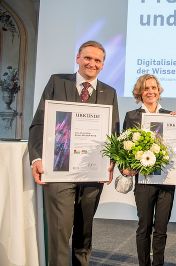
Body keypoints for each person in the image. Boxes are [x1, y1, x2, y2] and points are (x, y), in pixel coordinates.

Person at [28, 40, 120, 266]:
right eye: (87, 58)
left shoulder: (109, 92)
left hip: (92, 173)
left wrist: (111, 162)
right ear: (77, 58)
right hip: (58, 169)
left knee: (84, 233)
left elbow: (114, 133)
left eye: (97, 60)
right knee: (60, 232)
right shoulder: (57, 82)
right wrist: (37, 157)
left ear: (103, 64)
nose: (92, 63)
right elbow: (39, 123)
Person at [121, 74, 175, 266]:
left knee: (161, 229)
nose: (150, 91)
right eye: (146, 88)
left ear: (159, 91)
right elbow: (123, 148)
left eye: (153, 87)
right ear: (140, 93)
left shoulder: (171, 116)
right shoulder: (132, 116)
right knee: (144, 227)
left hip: (166, 181)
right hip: (144, 181)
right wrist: (124, 168)